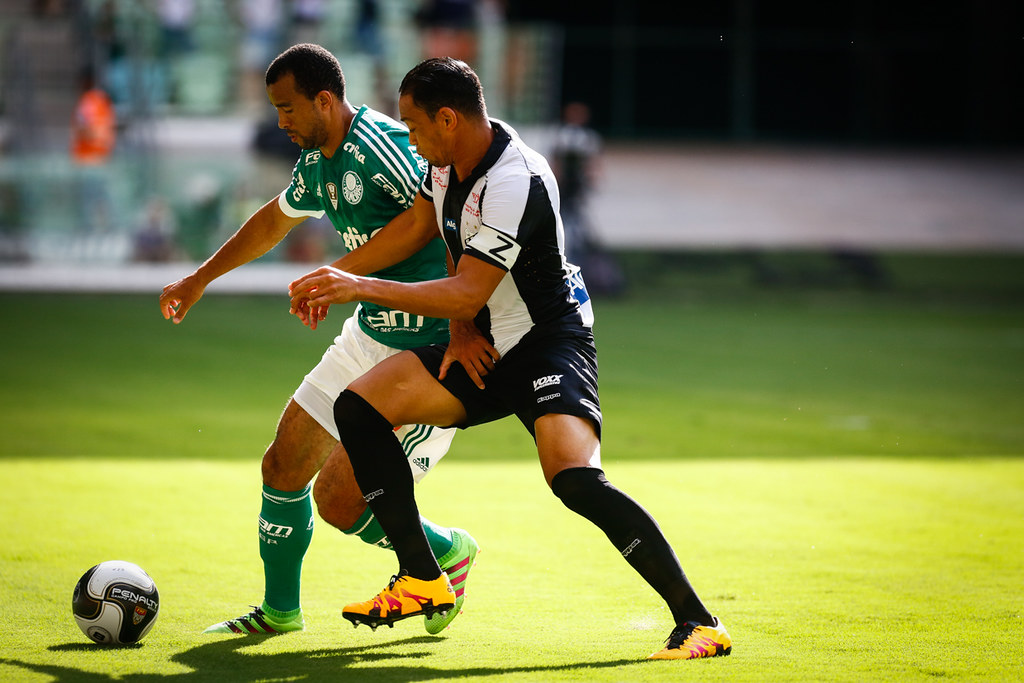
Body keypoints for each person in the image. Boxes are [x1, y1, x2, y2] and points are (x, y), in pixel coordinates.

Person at [287, 57, 731, 661]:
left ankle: (700, 623)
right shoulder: (444, 164)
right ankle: (422, 576)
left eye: (413, 125)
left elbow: (469, 283)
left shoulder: (515, 179)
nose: (408, 137)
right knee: (360, 406)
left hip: (550, 338)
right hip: (488, 340)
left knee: (573, 480)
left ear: (448, 118)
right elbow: (439, 235)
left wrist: (361, 285)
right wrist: (462, 326)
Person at [159, 44, 478, 637]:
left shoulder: (384, 144)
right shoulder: (317, 163)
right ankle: (279, 612)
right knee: (282, 465)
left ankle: (444, 555)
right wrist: (200, 278)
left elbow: (433, 218)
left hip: (429, 353)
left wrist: (344, 275)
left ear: (324, 100)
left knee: (341, 501)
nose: (280, 121)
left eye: (287, 108)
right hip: (367, 338)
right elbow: (272, 221)